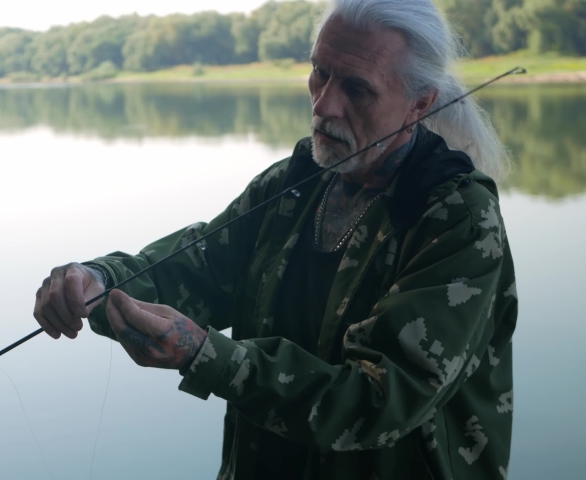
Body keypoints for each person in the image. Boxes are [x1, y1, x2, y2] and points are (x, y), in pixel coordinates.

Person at [33, 0, 517, 478]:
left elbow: (377, 399)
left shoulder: (459, 219)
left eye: (357, 88)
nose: (324, 104)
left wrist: (206, 356)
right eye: (319, 73)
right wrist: (97, 281)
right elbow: (200, 266)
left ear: (420, 104)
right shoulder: (295, 182)